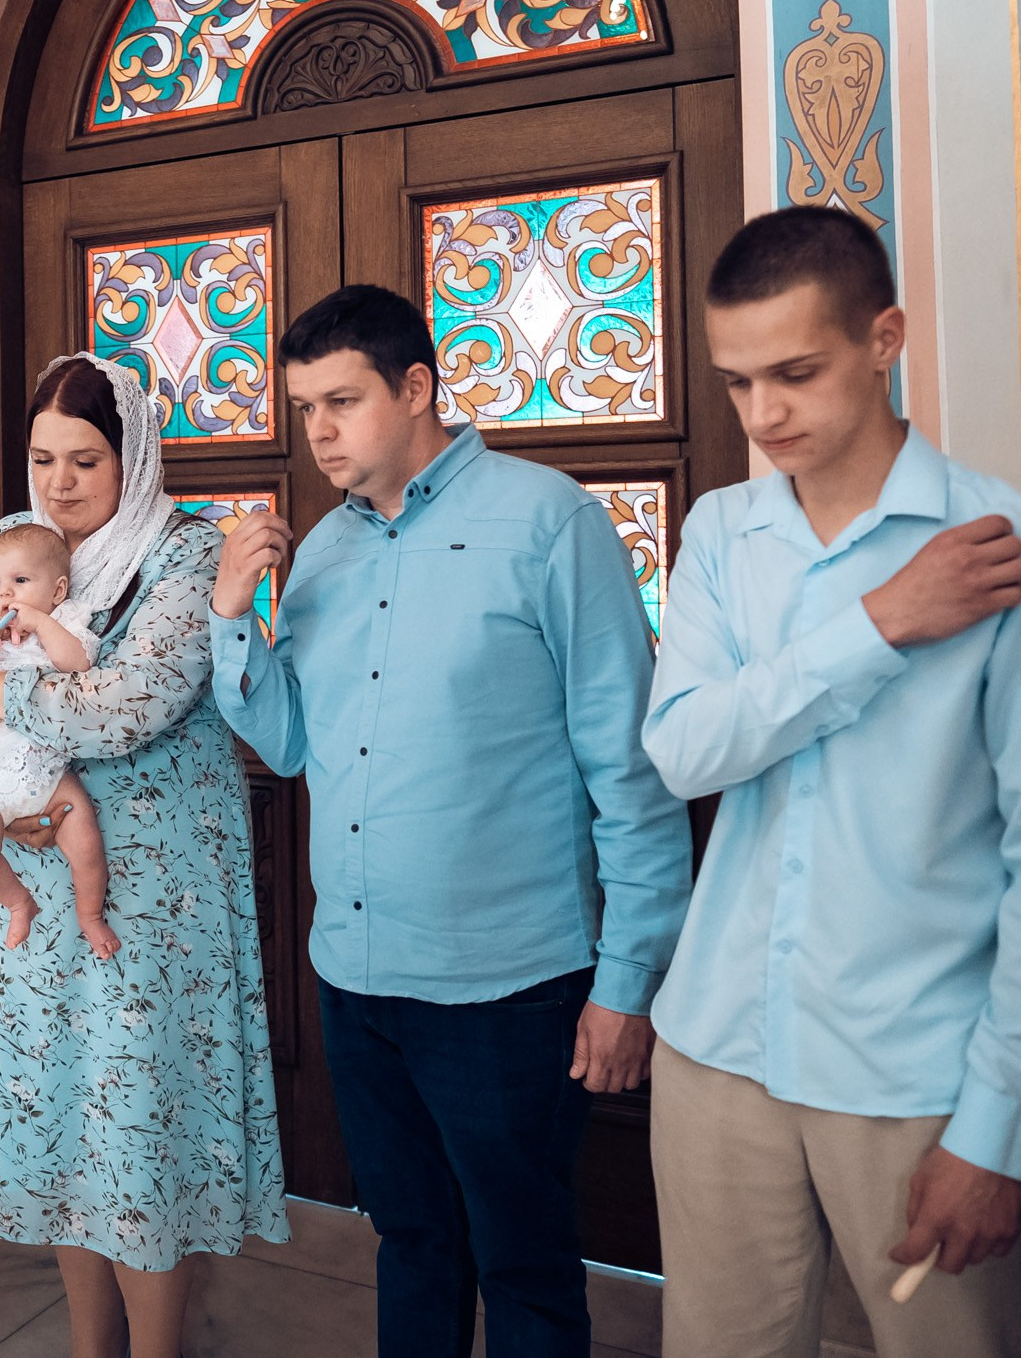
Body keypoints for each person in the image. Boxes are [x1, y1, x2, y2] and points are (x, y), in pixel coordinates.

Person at [640, 206, 1021, 1358]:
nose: (763, 415)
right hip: (712, 1051)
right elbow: (685, 749)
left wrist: (997, 1129)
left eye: (795, 372)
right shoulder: (721, 532)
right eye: (738, 381)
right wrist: (881, 623)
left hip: (917, 1066)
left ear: (884, 337)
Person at [211, 284, 690, 1358]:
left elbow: (629, 768)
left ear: (417, 385)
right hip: (356, 978)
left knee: (522, 1260)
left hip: (508, 987)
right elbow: (289, 745)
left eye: (340, 400)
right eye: (302, 408)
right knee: (413, 1243)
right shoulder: (322, 551)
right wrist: (230, 619)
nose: (318, 432)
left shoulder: (548, 522)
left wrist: (629, 983)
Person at [0, 353, 288, 1358]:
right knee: (62, 1134)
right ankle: (93, 1346)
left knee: (138, 1133)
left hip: (147, 901)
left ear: (131, 453)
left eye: (85, 459)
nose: (61, 481)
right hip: (32, 902)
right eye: (45, 458)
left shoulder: (185, 552)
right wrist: (0, 799)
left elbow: (129, 703)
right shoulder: (12, 545)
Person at [0, 521, 115, 956]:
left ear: (57, 590)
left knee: (84, 842)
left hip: (46, 766)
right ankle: (17, 903)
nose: (5, 594)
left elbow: (79, 664)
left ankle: (90, 914)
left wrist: (40, 624)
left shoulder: (64, 620)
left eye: (20, 582)